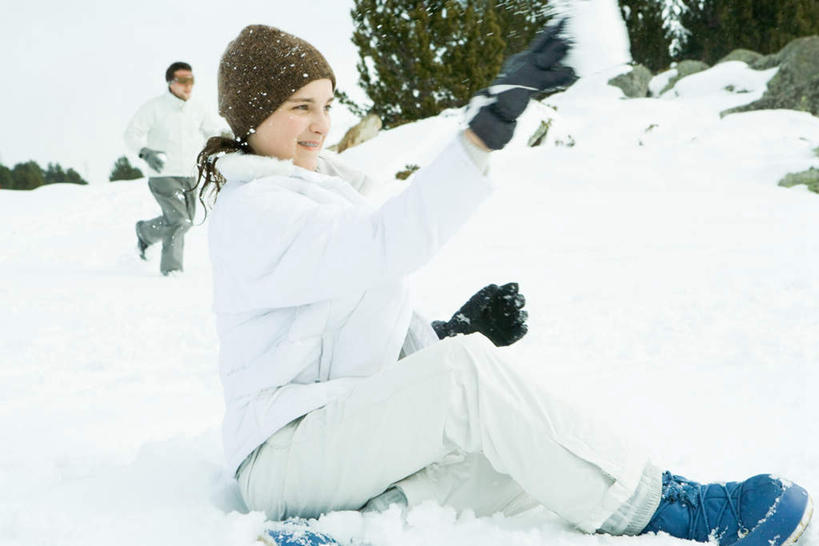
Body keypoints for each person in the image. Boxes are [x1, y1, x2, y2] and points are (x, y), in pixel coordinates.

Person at [196, 24, 813, 546]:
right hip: (285, 456)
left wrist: (443, 332)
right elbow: (385, 246)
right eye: (300, 107)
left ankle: (347, 530)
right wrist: (481, 134)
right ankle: (676, 510)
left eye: (327, 106)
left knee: (528, 457)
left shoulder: (318, 196)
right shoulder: (258, 210)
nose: (321, 125)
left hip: (325, 447)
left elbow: (335, 332)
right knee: (466, 375)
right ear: (254, 113)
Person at [124, 61, 228, 276]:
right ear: (170, 82)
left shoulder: (198, 108)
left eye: (191, 80)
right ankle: (172, 270)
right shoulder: (154, 107)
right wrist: (145, 152)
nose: (188, 85)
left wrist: (223, 144)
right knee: (179, 221)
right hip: (162, 174)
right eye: (182, 80)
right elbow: (131, 134)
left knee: (183, 222)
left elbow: (212, 133)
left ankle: (145, 232)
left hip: (190, 174)